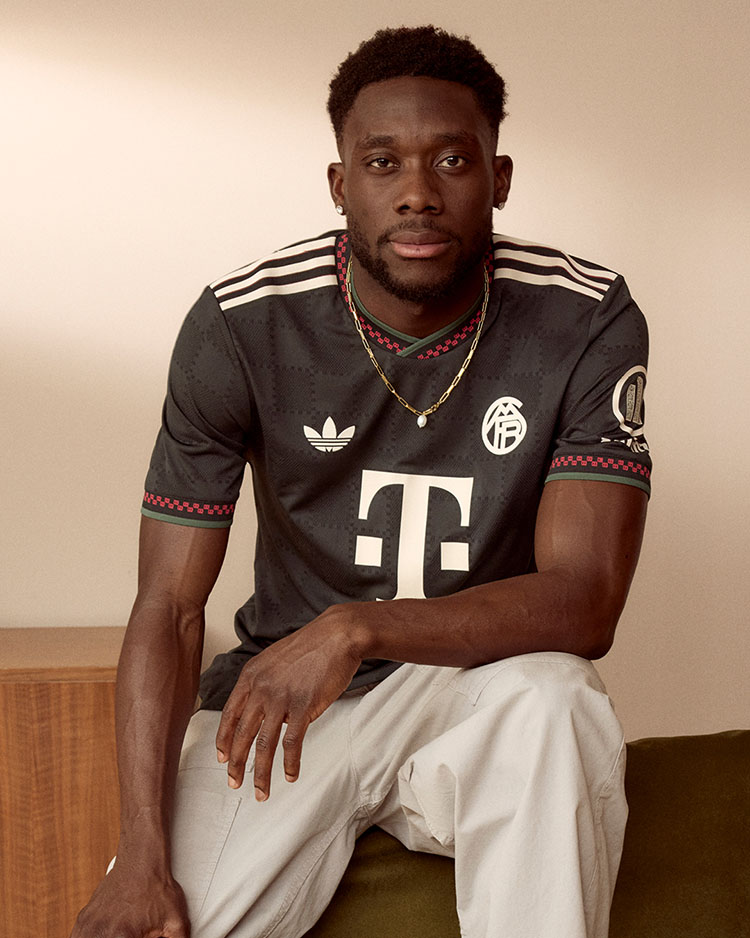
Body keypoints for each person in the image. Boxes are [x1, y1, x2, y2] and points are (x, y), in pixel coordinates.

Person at [72, 24, 651, 938]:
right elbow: (170, 606)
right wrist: (141, 853)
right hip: (285, 710)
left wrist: (354, 627)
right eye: (383, 164)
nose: (418, 192)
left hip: (473, 695)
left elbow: (585, 602)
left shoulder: (583, 315)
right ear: (341, 184)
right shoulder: (244, 324)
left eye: (452, 160)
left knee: (556, 696)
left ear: (499, 178)